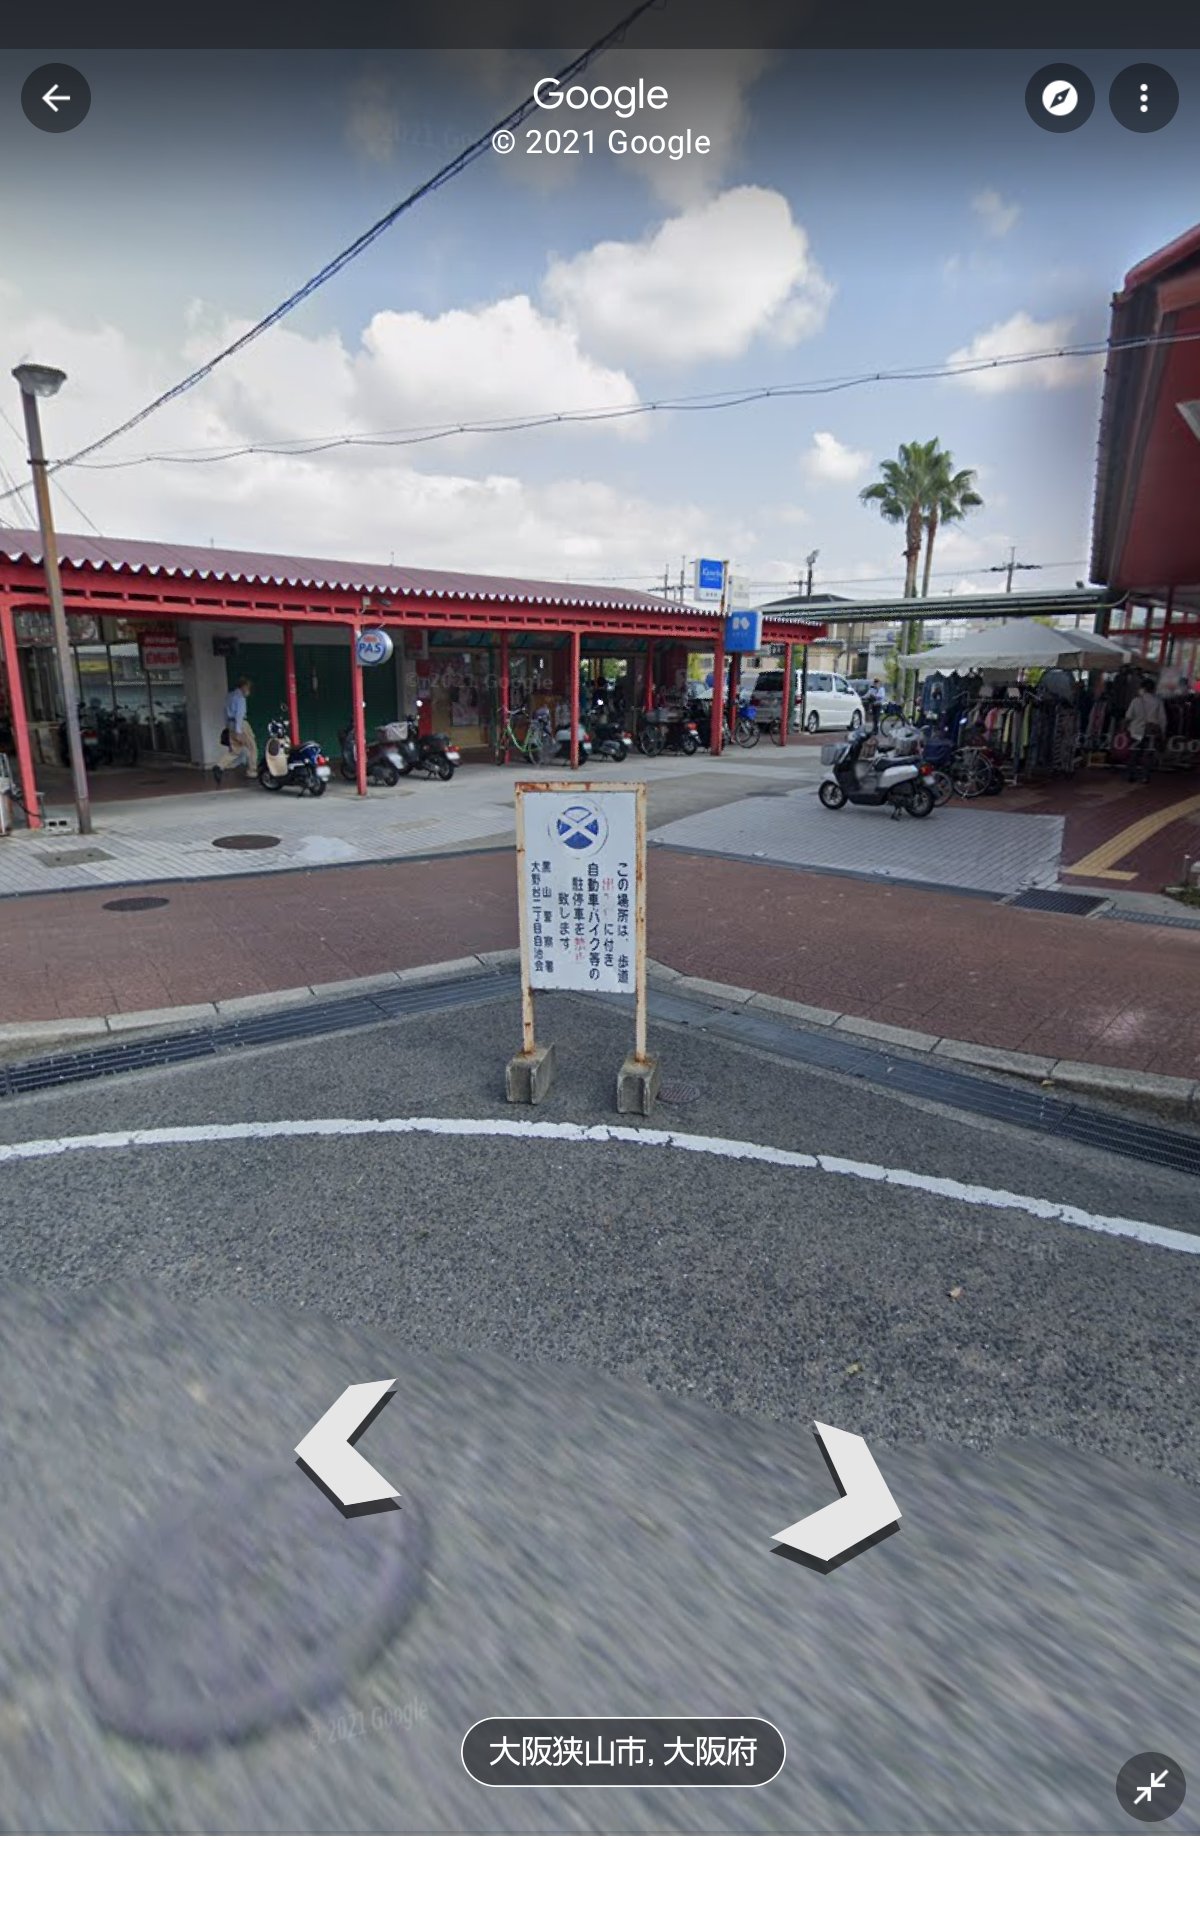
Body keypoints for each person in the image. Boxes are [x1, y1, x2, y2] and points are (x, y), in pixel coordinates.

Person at [213, 677, 255, 785]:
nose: (249, 690)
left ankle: (219, 766)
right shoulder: (240, 698)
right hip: (241, 725)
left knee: (235, 751)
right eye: (248, 688)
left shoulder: (229, 696)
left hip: (231, 725)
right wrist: (238, 730)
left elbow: (225, 712)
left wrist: (228, 727)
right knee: (252, 748)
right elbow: (239, 715)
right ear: (244, 687)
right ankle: (252, 772)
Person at [1124, 676, 1166, 783]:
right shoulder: (1158, 701)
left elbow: (1128, 716)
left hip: (1136, 731)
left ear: (1143, 688)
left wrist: (1125, 729)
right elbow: (1162, 719)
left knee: (1134, 754)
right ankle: (1145, 776)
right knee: (1148, 754)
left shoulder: (1136, 701)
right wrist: (1162, 732)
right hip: (1150, 731)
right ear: (1153, 689)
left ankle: (1131, 775)